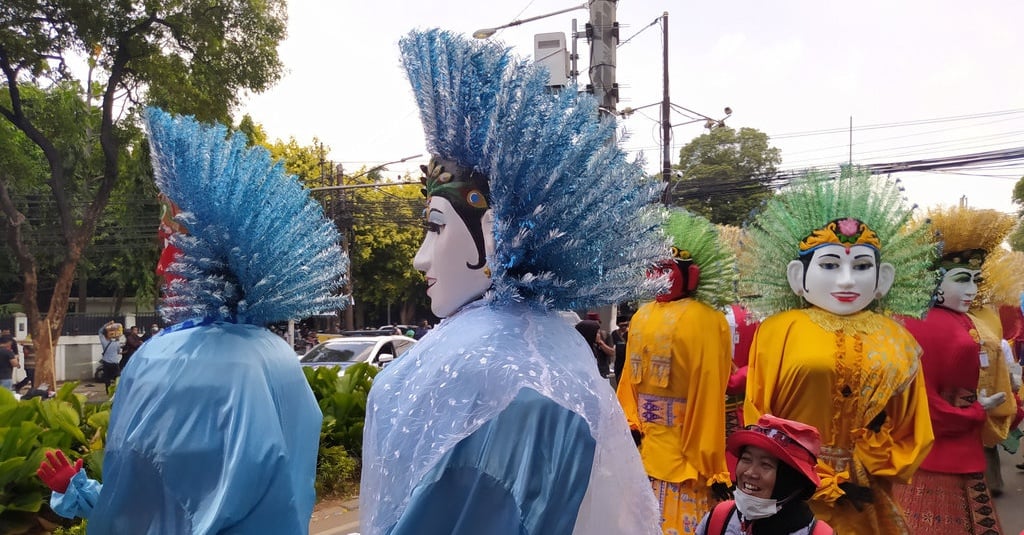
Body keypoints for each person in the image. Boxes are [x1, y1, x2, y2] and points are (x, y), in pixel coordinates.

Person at [360, 29, 667, 535]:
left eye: (436, 227)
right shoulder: (559, 348)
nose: (419, 259)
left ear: (493, 231)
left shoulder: (468, 367)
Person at [36, 108, 347, 533]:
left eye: (169, 242)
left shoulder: (165, 359)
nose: (161, 262)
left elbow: (147, 494)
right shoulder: (276, 353)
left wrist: (82, 494)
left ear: (200, 258)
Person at [740, 167, 935, 534]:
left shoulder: (898, 341)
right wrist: (790, 472)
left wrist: (872, 462)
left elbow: (913, 427)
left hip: (865, 493)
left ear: (883, 278)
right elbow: (760, 413)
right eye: (830, 264)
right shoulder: (780, 330)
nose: (846, 280)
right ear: (798, 276)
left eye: (861, 266)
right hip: (793, 489)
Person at [891, 206, 1019, 533]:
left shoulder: (958, 319)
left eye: (976, 281)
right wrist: (975, 412)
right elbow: (920, 399)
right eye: (962, 280)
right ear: (933, 280)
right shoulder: (919, 326)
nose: (972, 290)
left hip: (958, 449)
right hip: (934, 454)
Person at [616, 208, 737, 534]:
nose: (658, 278)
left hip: (687, 458)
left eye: (666, 270)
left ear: (691, 275)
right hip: (644, 450)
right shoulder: (641, 315)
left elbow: (709, 390)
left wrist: (711, 465)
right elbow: (627, 378)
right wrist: (628, 423)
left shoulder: (707, 319)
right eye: (652, 270)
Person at [697, 414, 833, 535]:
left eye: (765, 465)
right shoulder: (720, 519)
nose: (750, 472)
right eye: (746, 459)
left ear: (789, 480)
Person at [97, 321, 121, 391]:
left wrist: (108, 324)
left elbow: (100, 331)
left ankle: (108, 392)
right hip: (115, 363)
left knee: (107, 379)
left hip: (106, 363)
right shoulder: (117, 343)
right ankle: (118, 391)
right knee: (118, 378)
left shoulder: (104, 342)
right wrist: (117, 337)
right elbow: (118, 351)